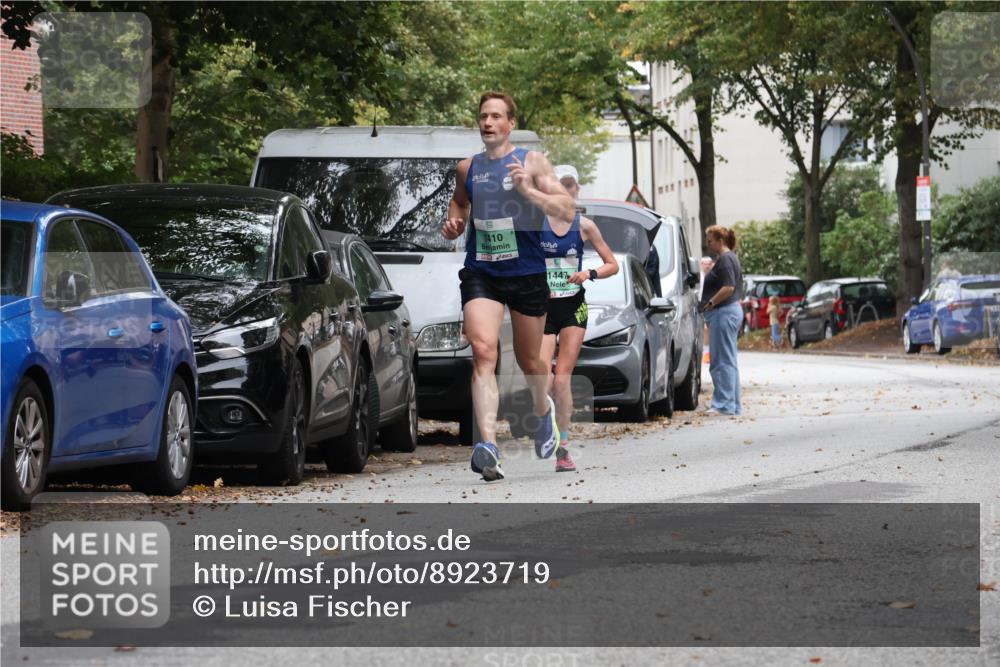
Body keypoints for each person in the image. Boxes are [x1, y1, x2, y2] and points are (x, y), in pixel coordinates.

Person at [441, 92, 577, 482]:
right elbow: (459, 203)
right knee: (484, 352)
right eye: (483, 116)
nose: (488, 122)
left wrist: (529, 192)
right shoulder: (468, 168)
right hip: (482, 268)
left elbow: (565, 209)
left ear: (510, 123)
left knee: (530, 360)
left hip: (526, 271)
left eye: (496, 116)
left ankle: (542, 411)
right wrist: (455, 223)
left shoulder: (532, 162)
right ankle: (487, 446)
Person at [539, 164, 619, 472]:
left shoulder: (584, 226)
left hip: (573, 307)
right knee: (542, 377)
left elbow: (613, 264)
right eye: (561, 185)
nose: (567, 191)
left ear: (577, 190)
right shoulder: (536, 224)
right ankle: (545, 422)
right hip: (544, 308)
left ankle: (564, 448)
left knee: (562, 378)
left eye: (571, 185)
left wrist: (589, 273)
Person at [700, 225, 743, 415]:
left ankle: (724, 404)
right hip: (729, 312)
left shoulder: (725, 259)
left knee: (720, 361)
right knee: (729, 359)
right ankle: (733, 405)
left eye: (710, 241)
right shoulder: (729, 258)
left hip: (723, 312)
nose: (708, 244)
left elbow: (728, 287)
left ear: (720, 240)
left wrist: (710, 302)